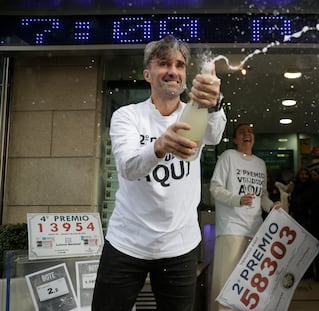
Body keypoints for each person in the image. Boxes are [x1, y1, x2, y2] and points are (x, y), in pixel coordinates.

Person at [91, 35, 227, 311]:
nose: (173, 71)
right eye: (164, 64)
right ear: (147, 74)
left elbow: (214, 134)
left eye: (179, 65)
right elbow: (128, 168)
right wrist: (159, 146)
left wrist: (214, 102)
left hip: (179, 244)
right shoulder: (127, 116)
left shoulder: (195, 113)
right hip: (127, 241)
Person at [209, 123, 281, 311]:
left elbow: (262, 195)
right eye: (241, 132)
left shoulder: (260, 164)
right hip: (231, 228)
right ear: (234, 139)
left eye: (250, 132)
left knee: (249, 286)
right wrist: (237, 199)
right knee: (227, 283)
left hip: (256, 231)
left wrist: (272, 206)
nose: (247, 134)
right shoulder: (228, 157)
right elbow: (215, 188)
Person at [289, 167, 319, 281]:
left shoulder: (315, 186)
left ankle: (318, 272)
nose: (304, 176)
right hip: (302, 221)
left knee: (316, 246)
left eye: (306, 174)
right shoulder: (296, 187)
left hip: (315, 221)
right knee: (305, 247)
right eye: (302, 174)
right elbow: (294, 203)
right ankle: (308, 271)